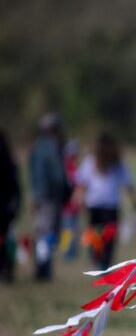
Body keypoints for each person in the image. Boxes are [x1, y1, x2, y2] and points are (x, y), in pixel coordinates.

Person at [75, 132, 136, 270]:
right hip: (98, 205)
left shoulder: (117, 163)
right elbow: (82, 183)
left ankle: (103, 262)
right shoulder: (91, 161)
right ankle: (100, 261)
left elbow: (128, 183)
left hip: (107, 206)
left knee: (107, 236)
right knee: (97, 236)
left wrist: (135, 200)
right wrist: (78, 198)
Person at [28, 113, 69, 281]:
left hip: (38, 195)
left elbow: (31, 171)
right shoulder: (52, 148)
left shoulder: (36, 147)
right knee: (48, 233)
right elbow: (58, 175)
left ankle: (41, 267)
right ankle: (44, 270)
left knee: (41, 233)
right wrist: (67, 190)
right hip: (51, 197)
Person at [0, 129, 21, 283]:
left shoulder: (8, 164)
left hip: (4, 209)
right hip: (6, 209)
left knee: (5, 241)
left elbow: (15, 188)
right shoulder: (9, 163)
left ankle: (6, 270)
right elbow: (16, 188)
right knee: (5, 240)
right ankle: (6, 270)